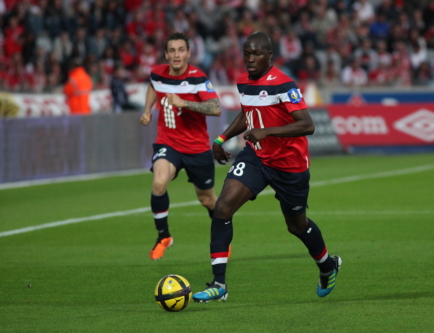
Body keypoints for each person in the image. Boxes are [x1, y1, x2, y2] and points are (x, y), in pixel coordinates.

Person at [192, 32, 341, 302]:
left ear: (269, 55)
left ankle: (328, 266)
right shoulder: (243, 81)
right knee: (222, 208)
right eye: (247, 53)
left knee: (297, 226)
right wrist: (221, 138)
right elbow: (247, 112)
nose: (250, 59)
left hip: (290, 166)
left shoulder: (284, 84)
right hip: (257, 158)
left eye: (257, 54)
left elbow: (308, 124)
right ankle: (219, 285)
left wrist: (267, 131)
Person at [140, 32, 222, 260]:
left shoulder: (198, 79)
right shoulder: (157, 73)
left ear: (188, 53)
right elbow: (152, 86)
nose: (177, 55)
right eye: (172, 50)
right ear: (166, 54)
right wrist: (147, 110)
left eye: (181, 50)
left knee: (207, 199)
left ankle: (221, 238)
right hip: (168, 142)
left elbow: (216, 108)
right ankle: (163, 236)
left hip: (197, 148)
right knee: (158, 182)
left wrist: (185, 102)